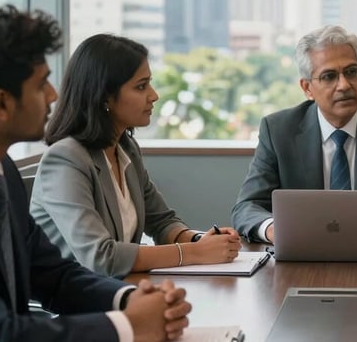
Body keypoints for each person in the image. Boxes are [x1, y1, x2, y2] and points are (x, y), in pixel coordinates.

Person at [0, 3, 191, 341]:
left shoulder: (1, 173)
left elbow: (55, 276)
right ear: (1, 104)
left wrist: (130, 299)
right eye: (41, 84)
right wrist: (128, 325)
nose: (54, 94)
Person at [30, 34, 241, 278]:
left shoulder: (125, 148)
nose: (154, 95)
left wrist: (202, 240)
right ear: (105, 97)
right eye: (141, 86)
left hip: (119, 287)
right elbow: (101, 257)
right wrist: (194, 252)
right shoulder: (66, 159)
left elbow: (161, 222)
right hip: (76, 299)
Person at [231, 25, 357, 243]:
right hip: (300, 255)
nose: (344, 85)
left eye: (351, 72)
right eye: (329, 76)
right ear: (307, 88)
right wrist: (275, 230)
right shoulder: (278, 130)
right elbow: (247, 206)